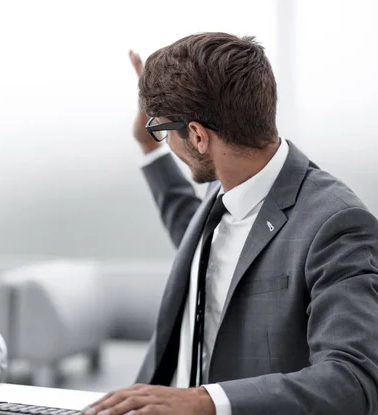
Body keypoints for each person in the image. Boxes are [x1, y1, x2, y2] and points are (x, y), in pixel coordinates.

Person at [83, 33, 378, 415]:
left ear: (198, 135)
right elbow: (203, 251)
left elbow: (353, 380)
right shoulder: (227, 187)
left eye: (164, 132)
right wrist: (149, 146)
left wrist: (205, 401)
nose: (165, 142)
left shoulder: (336, 224)